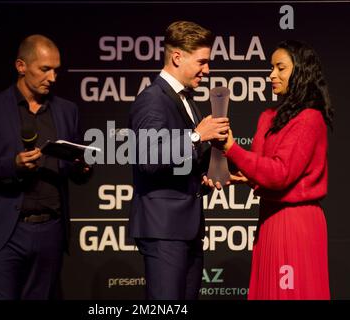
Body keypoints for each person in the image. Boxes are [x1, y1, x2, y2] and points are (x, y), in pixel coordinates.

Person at [0, 34, 92, 299]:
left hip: (50, 232)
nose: (53, 78)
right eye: (44, 69)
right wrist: (12, 164)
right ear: (21, 66)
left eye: (56, 70)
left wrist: (82, 167)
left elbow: (72, 168)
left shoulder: (67, 110)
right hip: (3, 234)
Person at [223, 40, 333, 299]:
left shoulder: (309, 118)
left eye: (280, 68)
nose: (272, 75)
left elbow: (280, 174)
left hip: (295, 224)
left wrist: (232, 149)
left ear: (300, 72)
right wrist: (244, 176)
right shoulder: (268, 117)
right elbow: (263, 170)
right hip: (270, 220)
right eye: (271, 68)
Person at [128, 21, 230, 300]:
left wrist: (205, 178)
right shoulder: (152, 100)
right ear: (177, 57)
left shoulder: (185, 99)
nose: (207, 70)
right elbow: (147, 158)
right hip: (164, 231)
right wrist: (197, 137)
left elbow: (179, 163)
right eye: (202, 62)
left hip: (186, 229)